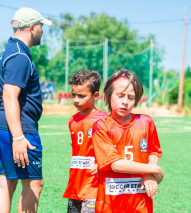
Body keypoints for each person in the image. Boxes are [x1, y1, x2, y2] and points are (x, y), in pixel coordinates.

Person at [0, 7, 51, 213]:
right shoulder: (20, 55)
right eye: (41, 26)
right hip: (17, 127)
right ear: (31, 27)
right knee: (33, 184)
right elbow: (9, 95)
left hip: (0, 124)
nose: (42, 31)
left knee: (6, 182)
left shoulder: (9, 50)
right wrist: (18, 137)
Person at [92, 70, 164, 213]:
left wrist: (148, 174)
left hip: (140, 202)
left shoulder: (146, 122)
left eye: (131, 97)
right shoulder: (101, 126)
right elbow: (115, 164)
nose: (125, 101)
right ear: (108, 96)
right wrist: (154, 170)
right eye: (120, 96)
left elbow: (153, 150)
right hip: (110, 204)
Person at [63, 70, 108, 213]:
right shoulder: (72, 120)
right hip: (75, 185)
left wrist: (103, 163)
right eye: (73, 95)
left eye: (81, 96)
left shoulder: (105, 121)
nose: (76, 100)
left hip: (94, 187)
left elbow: (115, 149)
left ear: (96, 96)